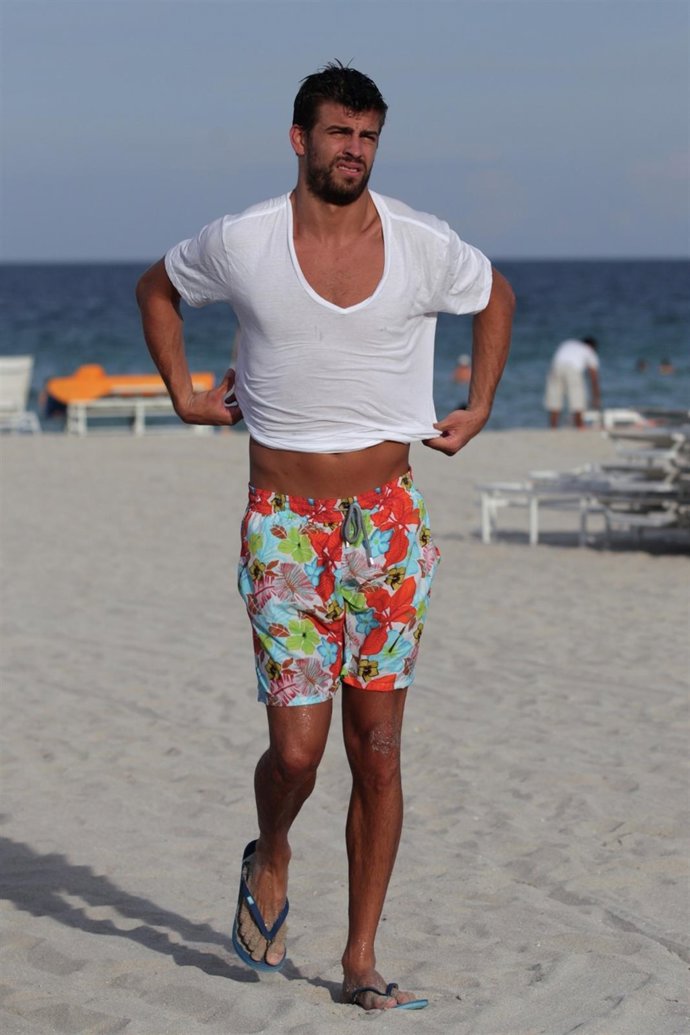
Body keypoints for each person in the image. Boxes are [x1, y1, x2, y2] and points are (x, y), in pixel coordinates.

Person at [136, 61, 514, 1012]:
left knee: (378, 749)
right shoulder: (244, 241)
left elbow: (496, 296)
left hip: (387, 521)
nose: (355, 150)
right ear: (299, 138)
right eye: (340, 132)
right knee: (300, 754)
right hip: (284, 525)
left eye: (369, 135)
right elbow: (156, 289)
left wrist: (478, 407)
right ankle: (272, 850)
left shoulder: (423, 244)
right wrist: (182, 394)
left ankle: (359, 954)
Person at [544, 335, 600, 429]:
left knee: (554, 401)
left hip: (556, 367)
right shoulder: (588, 350)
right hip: (573, 369)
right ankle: (580, 427)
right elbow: (594, 376)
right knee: (577, 400)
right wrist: (596, 397)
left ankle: (553, 428)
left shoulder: (568, 343)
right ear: (592, 346)